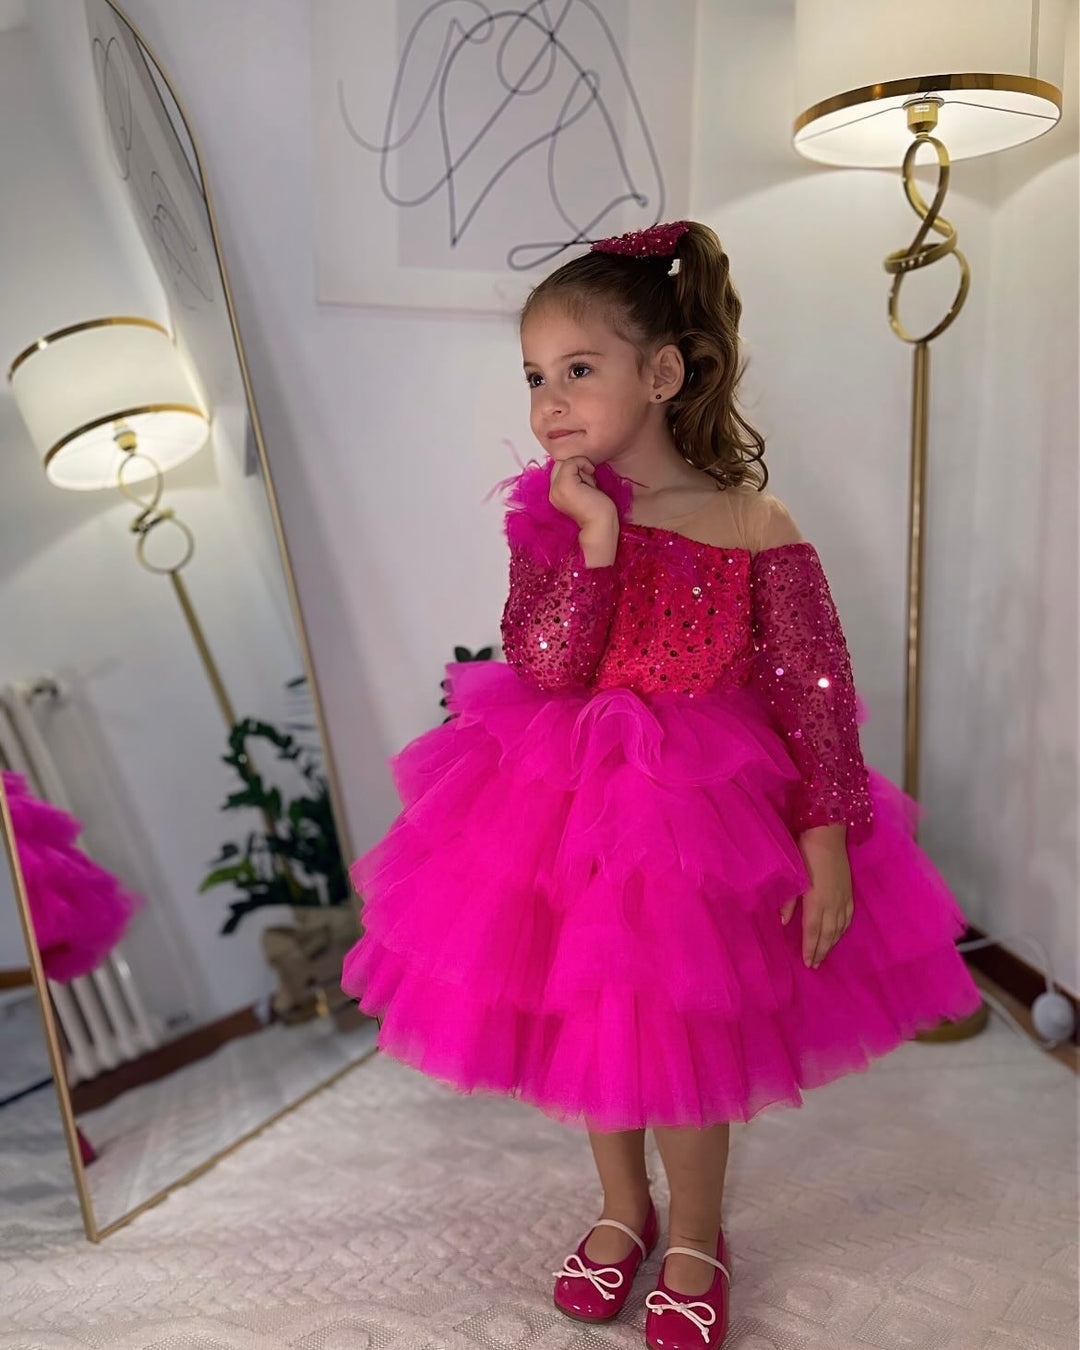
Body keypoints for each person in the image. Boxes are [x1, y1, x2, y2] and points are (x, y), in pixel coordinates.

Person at [341, 220, 981, 1350]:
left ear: (663, 374)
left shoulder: (751, 522)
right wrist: (593, 539)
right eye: (534, 376)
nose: (550, 402)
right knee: (599, 1025)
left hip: (701, 818)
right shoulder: (553, 518)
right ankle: (620, 1207)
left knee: (679, 1027)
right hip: (569, 806)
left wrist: (827, 833)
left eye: (578, 370)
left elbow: (814, 689)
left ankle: (694, 1232)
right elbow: (546, 667)